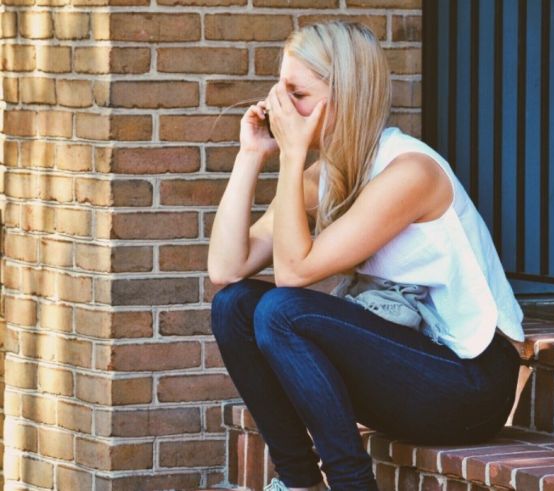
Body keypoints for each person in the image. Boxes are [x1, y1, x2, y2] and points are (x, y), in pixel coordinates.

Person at [206, 20, 526, 491]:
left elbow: (294, 274)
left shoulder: (410, 172)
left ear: (345, 97)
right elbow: (226, 268)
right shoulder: (330, 174)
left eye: (297, 94)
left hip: (471, 383)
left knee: (281, 311)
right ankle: (297, 482)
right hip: (406, 369)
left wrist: (292, 157)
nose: (281, 109)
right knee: (233, 306)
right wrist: (250, 154)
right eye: (279, 91)